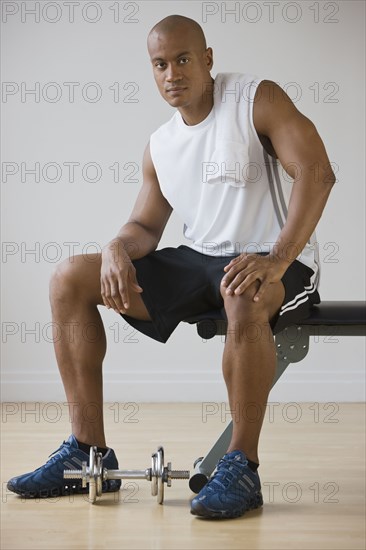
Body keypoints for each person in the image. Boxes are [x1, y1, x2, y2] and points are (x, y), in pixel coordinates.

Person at [7, 15, 335, 519]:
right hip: (200, 259)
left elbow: (316, 170)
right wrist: (117, 246)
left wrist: (278, 258)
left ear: (207, 59)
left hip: (274, 259)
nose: (172, 74)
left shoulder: (255, 99)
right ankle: (86, 449)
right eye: (160, 64)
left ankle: (241, 466)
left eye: (183, 60)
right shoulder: (161, 145)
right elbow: (145, 225)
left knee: (241, 289)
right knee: (69, 277)